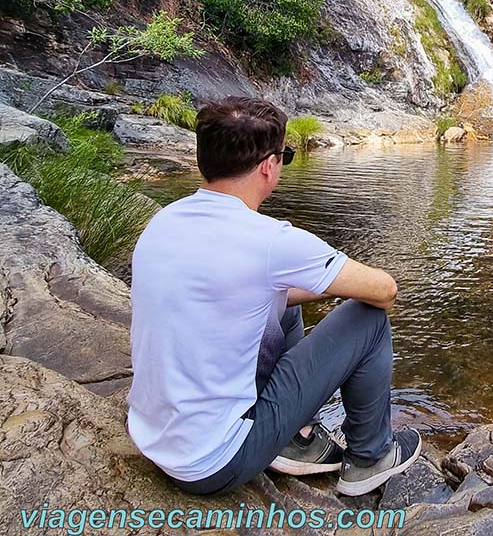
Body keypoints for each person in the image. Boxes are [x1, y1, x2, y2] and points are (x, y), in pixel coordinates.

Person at [127, 96, 420, 496]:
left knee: (278, 295)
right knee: (367, 318)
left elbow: (238, 291)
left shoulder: (162, 222)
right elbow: (385, 290)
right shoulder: (270, 241)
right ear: (268, 165)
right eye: (285, 156)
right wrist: (331, 283)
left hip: (155, 438)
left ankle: (297, 437)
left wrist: (309, 283)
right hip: (215, 463)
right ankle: (370, 458)